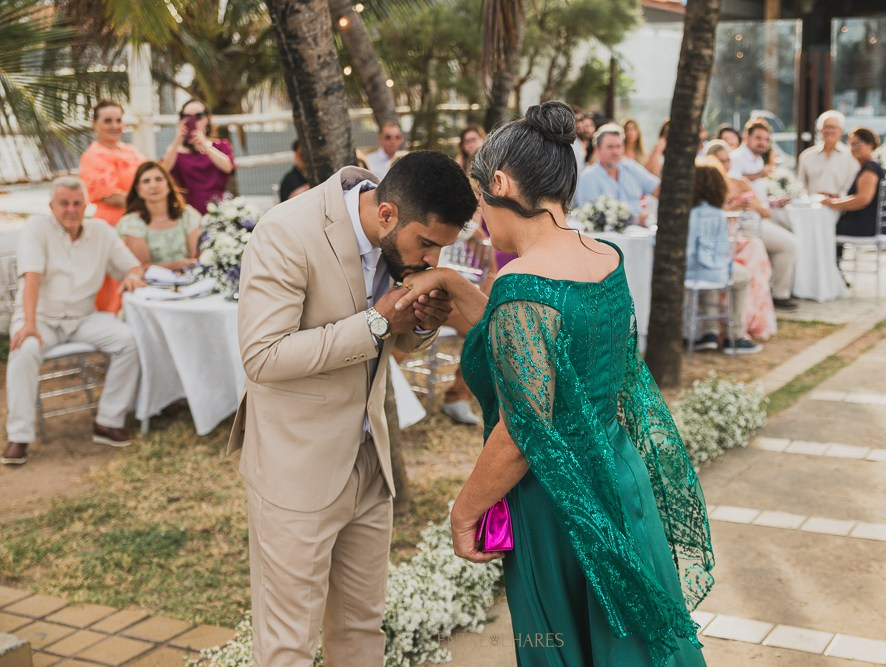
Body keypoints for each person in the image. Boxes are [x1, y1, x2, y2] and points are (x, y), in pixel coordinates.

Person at [394, 100, 713, 666]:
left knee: (561, 644)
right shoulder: (604, 257)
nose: (482, 221)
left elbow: (522, 429)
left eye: (479, 202)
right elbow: (539, 345)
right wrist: (449, 281)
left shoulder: (522, 282)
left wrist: (465, 509)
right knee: (632, 645)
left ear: (499, 182)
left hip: (557, 502)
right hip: (619, 476)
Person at [227, 150, 477, 664]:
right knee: (288, 643)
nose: (431, 261)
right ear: (386, 214)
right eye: (426, 244)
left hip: (370, 461)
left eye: (441, 249)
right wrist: (378, 322)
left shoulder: (398, 247)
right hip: (295, 469)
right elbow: (262, 355)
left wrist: (423, 322)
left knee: (362, 630)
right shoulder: (286, 233)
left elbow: (398, 343)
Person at [3, 177, 145, 466]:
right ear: (51, 206)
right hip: (40, 316)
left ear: (86, 206)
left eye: (77, 203)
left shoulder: (101, 231)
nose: (71, 209)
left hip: (83, 318)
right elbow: (32, 278)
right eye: (64, 203)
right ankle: (19, 436)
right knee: (25, 349)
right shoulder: (37, 228)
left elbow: (132, 266)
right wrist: (28, 325)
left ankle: (108, 420)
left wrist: (132, 276)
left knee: (128, 342)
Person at [702, 141, 777, 340]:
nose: (725, 165)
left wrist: (750, 205)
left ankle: (750, 318)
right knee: (752, 251)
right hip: (715, 244)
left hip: (739, 236)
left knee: (755, 248)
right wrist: (729, 207)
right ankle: (730, 326)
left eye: (728, 160)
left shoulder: (740, 182)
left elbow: (765, 211)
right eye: (720, 161)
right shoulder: (705, 188)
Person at [686, 162, 763, 354]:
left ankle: (709, 333)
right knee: (742, 276)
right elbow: (721, 249)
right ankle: (735, 335)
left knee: (708, 277)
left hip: (689, 271)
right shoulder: (717, 214)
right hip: (709, 270)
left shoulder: (687, 212)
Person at [78, 99, 146, 313]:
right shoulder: (93, 155)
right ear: (95, 124)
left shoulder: (131, 150)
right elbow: (110, 196)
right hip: (111, 225)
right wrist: (149, 201)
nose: (115, 126)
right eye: (108, 121)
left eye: (118, 120)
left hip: (139, 221)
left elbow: (151, 176)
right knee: (116, 278)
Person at [726, 119, 799, 310]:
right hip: (744, 223)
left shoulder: (758, 160)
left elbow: (758, 197)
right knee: (788, 244)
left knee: (792, 231)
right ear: (746, 137)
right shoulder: (736, 158)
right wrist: (758, 176)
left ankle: (775, 290)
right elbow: (732, 184)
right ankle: (779, 294)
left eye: (766, 140)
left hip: (760, 216)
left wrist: (773, 202)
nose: (762, 143)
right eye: (758, 138)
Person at [118, 162, 202, 271]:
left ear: (168, 185)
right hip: (151, 285)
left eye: (158, 179)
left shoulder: (188, 215)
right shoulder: (131, 223)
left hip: (191, 279)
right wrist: (176, 265)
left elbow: (197, 256)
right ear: (138, 190)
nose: (153, 185)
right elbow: (142, 267)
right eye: (146, 181)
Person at [161, 98, 237, 214]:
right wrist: (177, 140)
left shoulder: (220, 146)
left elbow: (228, 167)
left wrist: (205, 144)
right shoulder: (175, 151)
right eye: (186, 116)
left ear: (207, 119)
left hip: (217, 209)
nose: (193, 120)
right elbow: (163, 170)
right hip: (188, 211)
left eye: (198, 116)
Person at [574, 123, 660, 223]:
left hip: (642, 234)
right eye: (610, 147)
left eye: (619, 146)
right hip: (606, 237)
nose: (616, 152)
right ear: (597, 150)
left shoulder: (631, 168)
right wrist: (636, 219)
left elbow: (658, 189)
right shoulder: (588, 177)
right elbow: (591, 217)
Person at [823, 127, 886, 239]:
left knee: (824, 227)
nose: (854, 148)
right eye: (851, 144)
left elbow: (863, 200)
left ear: (870, 144)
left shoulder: (870, 169)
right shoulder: (868, 166)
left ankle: (829, 257)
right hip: (868, 224)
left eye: (858, 144)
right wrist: (837, 199)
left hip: (869, 226)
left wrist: (833, 204)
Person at [797, 110, 859, 196]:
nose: (829, 131)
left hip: (842, 207)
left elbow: (853, 186)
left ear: (841, 130)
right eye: (826, 127)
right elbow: (801, 187)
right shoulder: (806, 156)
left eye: (833, 127)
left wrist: (836, 198)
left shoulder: (852, 156)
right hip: (812, 207)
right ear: (819, 130)